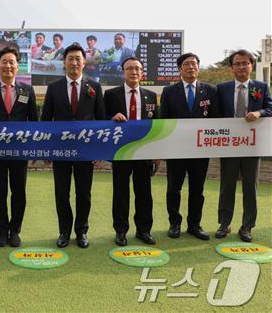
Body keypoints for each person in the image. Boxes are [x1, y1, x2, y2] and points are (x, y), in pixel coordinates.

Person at [41, 44, 106, 249]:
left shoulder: (94, 87)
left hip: (85, 152)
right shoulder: (53, 88)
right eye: (70, 58)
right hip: (60, 151)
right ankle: (64, 232)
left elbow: (101, 120)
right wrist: (47, 148)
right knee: (62, 192)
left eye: (78, 58)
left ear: (84, 62)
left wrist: (97, 150)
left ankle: (82, 231)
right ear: (64, 62)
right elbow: (45, 120)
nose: (74, 62)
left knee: (84, 193)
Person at [0, 47, 38, 247]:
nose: (8, 66)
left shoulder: (26, 90)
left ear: (17, 65)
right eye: (4, 61)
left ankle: (15, 231)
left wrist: (33, 148)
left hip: (20, 152)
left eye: (12, 62)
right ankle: (2, 231)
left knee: (19, 192)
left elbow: (34, 122)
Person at [160, 52, 218, 241]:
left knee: (197, 189)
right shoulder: (169, 92)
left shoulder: (210, 90)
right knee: (173, 188)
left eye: (194, 64)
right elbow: (163, 121)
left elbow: (216, 119)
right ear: (180, 69)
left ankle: (194, 224)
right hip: (176, 149)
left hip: (200, 150)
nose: (191, 67)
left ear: (199, 68)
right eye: (186, 64)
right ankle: (174, 224)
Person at [216, 49, 272, 242]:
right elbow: (216, 114)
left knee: (250, 187)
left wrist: (260, 113)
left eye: (245, 63)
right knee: (226, 186)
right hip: (228, 144)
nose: (241, 67)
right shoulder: (221, 88)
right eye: (237, 64)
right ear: (232, 68)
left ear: (251, 65)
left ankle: (247, 226)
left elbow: (270, 108)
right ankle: (224, 224)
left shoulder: (262, 87)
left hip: (252, 145)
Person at [104, 57, 159, 246]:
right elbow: (101, 120)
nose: (134, 72)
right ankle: (120, 231)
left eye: (137, 69)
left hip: (144, 152)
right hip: (121, 152)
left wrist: (156, 154)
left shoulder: (151, 95)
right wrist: (111, 117)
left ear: (142, 72)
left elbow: (156, 125)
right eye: (130, 69)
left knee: (144, 192)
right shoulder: (111, 95)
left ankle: (144, 230)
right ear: (123, 72)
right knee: (121, 192)